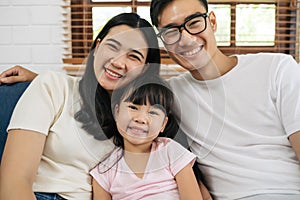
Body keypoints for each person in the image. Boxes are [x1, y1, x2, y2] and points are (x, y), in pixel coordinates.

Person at [0, 12, 162, 200]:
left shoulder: (143, 119)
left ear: (145, 68)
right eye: (112, 46)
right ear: (97, 46)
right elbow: (14, 183)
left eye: (133, 56)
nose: (118, 62)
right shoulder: (53, 87)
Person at [150, 0, 300, 199]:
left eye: (194, 22)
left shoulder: (277, 69)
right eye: (171, 33)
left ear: (212, 21)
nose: (185, 40)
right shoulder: (170, 95)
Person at [90, 73, 203, 200]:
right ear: (116, 113)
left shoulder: (170, 151)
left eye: (153, 112)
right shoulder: (105, 170)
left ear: (163, 124)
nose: (141, 119)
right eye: (133, 107)